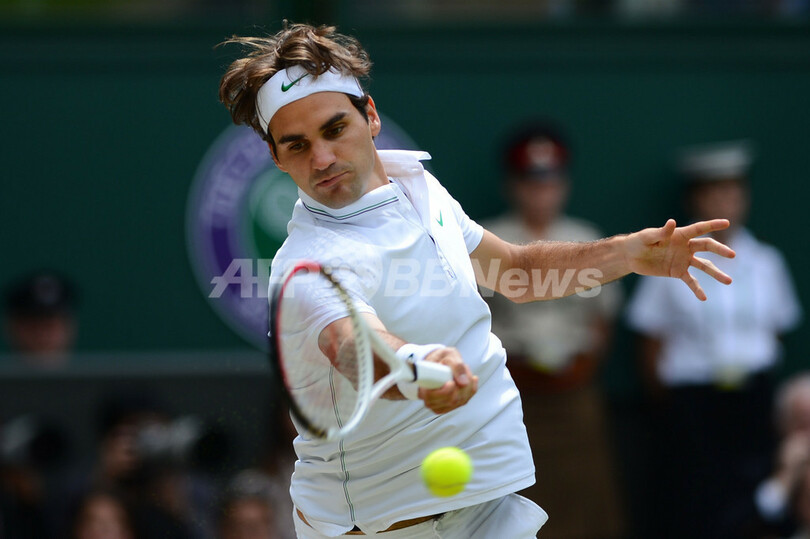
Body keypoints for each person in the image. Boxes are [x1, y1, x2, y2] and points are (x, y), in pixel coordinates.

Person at [218, 23, 735, 538]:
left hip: (487, 507)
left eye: (334, 130)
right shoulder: (306, 263)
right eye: (297, 145)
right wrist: (414, 367)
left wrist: (625, 254)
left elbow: (515, 273)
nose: (322, 158)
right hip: (384, 528)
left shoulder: (416, 188)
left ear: (370, 116)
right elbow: (352, 345)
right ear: (276, 157)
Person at [625, 140, 802, 539]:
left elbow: (775, 330)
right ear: (694, 200)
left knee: (754, 503)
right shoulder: (666, 261)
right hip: (694, 406)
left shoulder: (768, 262)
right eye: (714, 192)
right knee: (694, 502)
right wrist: (680, 407)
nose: (726, 201)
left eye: (734, 190)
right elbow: (651, 345)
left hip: (752, 402)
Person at [481, 121, 625, 538]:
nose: (541, 191)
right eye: (530, 181)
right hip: (510, 397)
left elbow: (602, 322)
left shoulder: (587, 240)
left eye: (551, 181)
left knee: (583, 500)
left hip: (574, 393)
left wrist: (585, 365)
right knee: (515, 498)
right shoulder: (490, 239)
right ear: (513, 185)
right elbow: (476, 319)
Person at [2, 271, 77, 367]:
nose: (43, 335)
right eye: (33, 326)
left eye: (50, 325)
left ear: (69, 326)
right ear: (12, 327)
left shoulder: (92, 380)